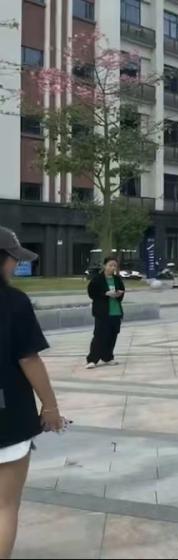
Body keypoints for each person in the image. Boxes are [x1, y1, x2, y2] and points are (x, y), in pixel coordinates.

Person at [1, 227, 65, 559]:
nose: (15, 265)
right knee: (4, 506)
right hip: (7, 417)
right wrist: (50, 407)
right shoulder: (13, 302)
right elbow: (29, 359)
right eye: (13, 259)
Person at [85, 257, 126, 369]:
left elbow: (122, 291)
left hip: (115, 310)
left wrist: (118, 294)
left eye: (114, 266)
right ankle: (92, 359)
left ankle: (108, 357)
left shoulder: (117, 279)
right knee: (99, 335)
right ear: (104, 266)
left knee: (112, 335)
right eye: (110, 265)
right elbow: (92, 293)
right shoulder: (97, 279)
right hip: (102, 312)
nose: (112, 268)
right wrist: (105, 294)